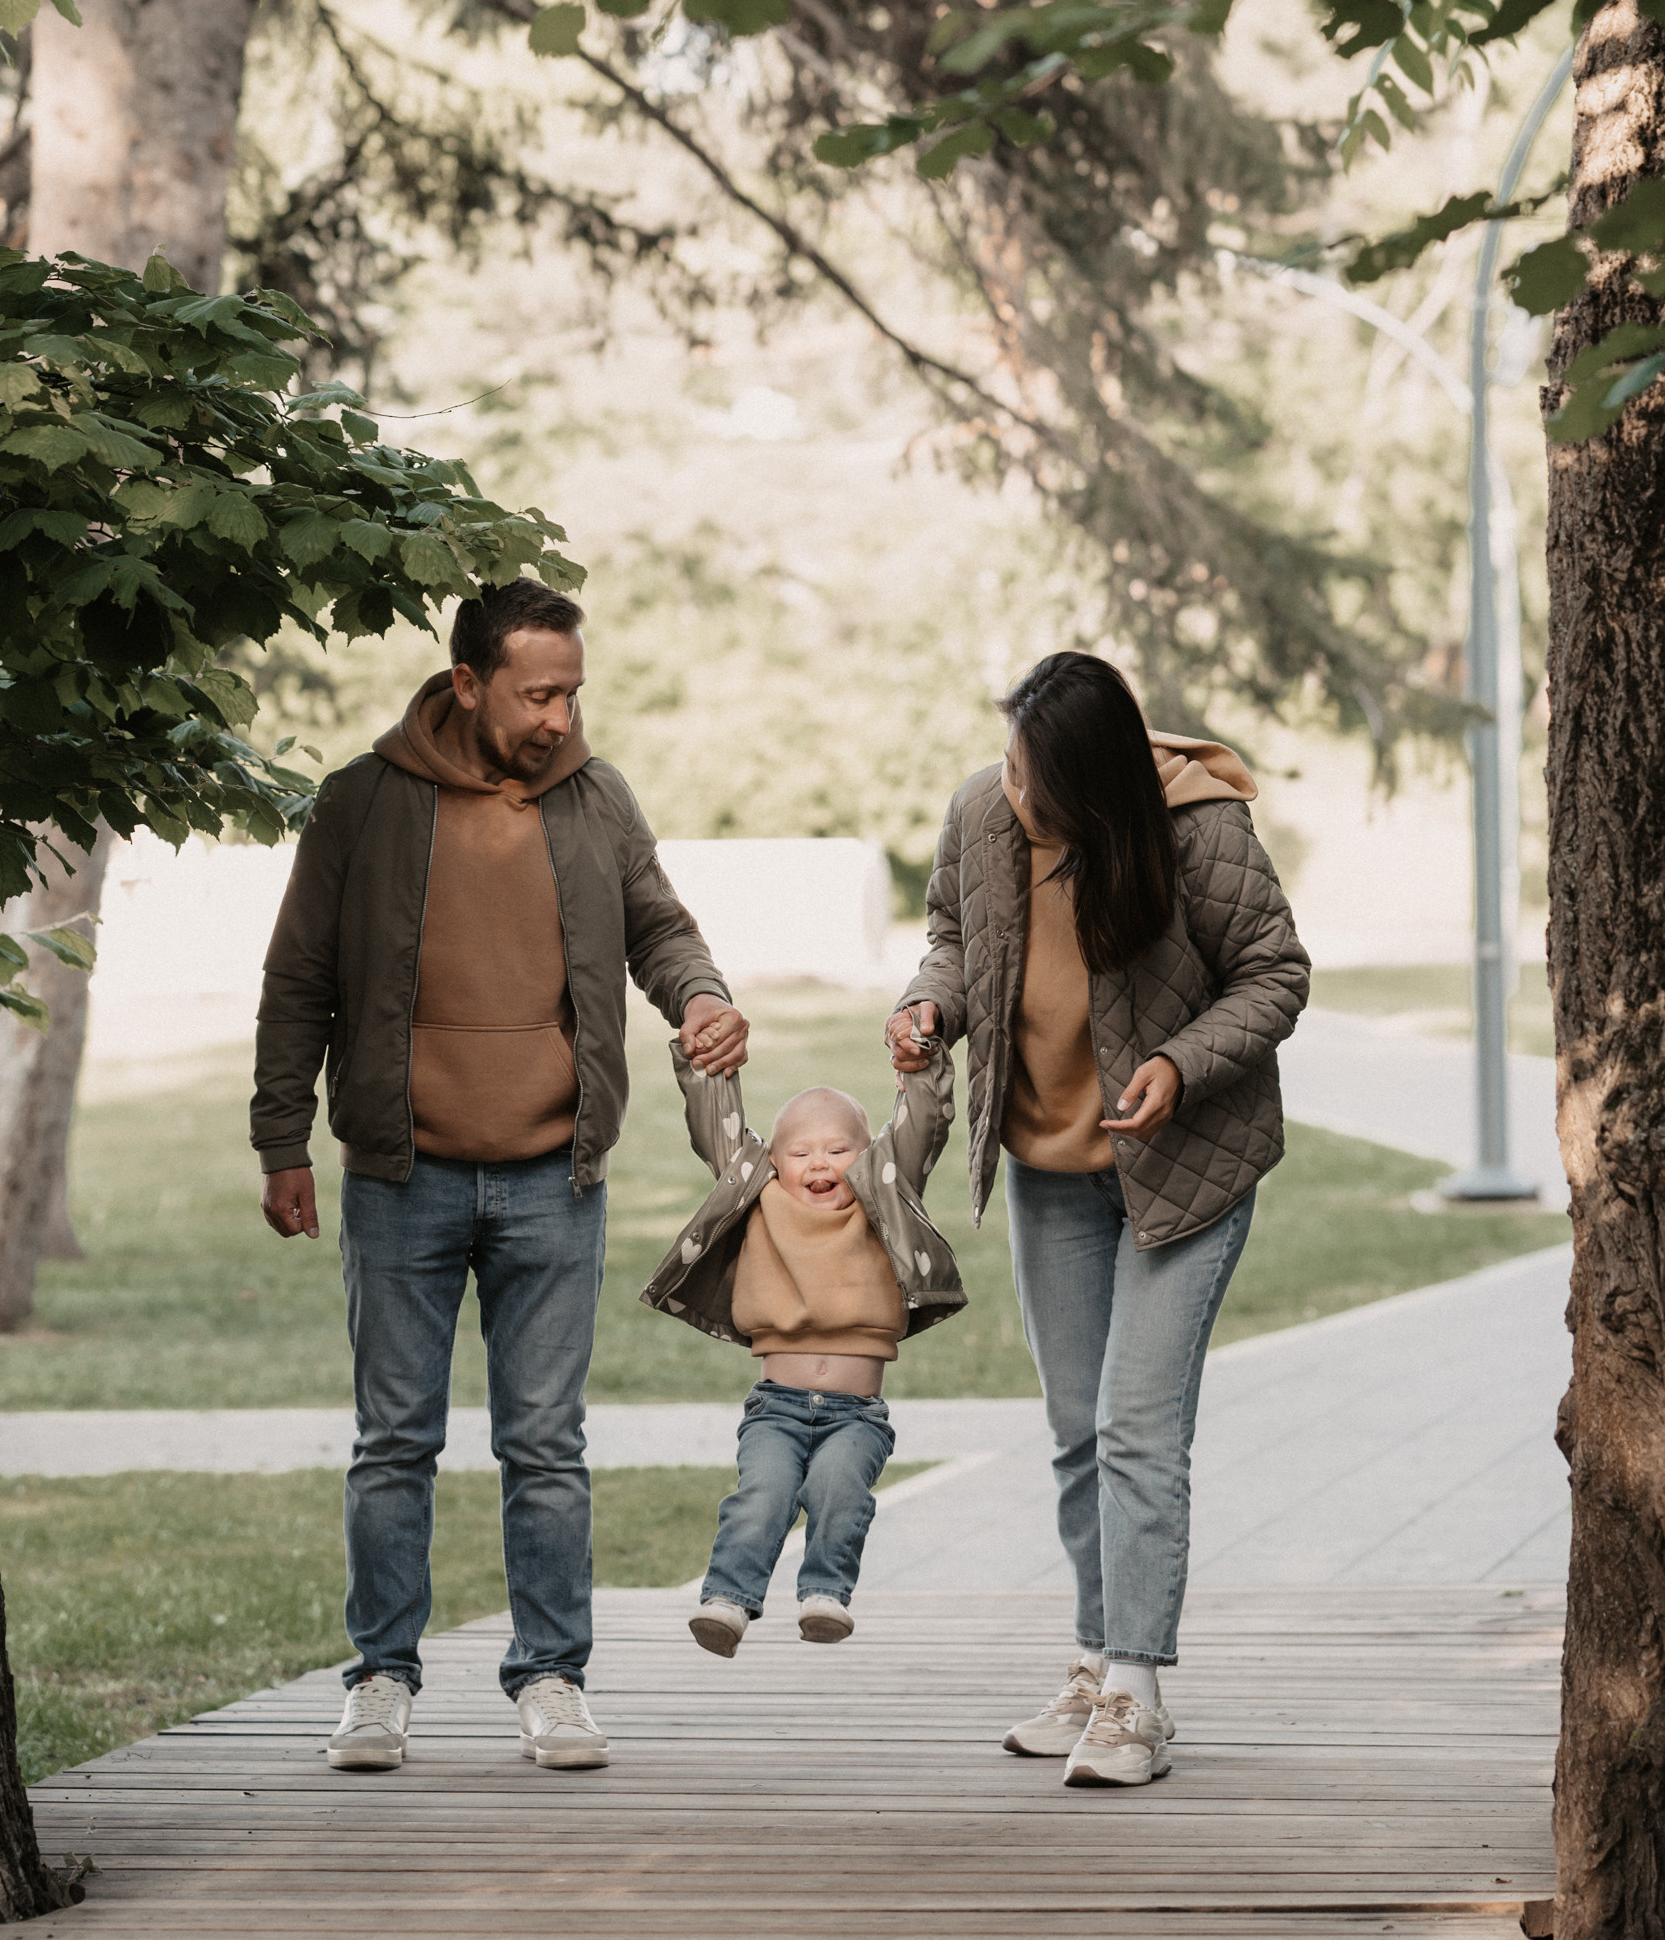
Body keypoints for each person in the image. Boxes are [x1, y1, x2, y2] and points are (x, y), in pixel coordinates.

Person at [251, 578, 747, 1776]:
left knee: (546, 1444)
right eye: (537, 693)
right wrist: (281, 1141)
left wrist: (703, 992)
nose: (560, 716)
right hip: (399, 1174)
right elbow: (299, 974)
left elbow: (659, 927)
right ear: (467, 681)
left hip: (551, 1175)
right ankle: (380, 1679)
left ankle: (553, 1677)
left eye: (572, 691)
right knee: (392, 1442)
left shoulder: (593, 797)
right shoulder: (363, 804)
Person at [888, 651, 1308, 1788]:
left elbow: (1273, 973)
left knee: (1133, 1425)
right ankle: (1091, 1662)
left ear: (1095, 781)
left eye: (1035, 777)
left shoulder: (1198, 829)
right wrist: (930, 1003)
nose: (1012, 789)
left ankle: (1137, 1692)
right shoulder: (981, 810)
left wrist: (1179, 1060)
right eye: (1012, 766)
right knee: (1077, 1430)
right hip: (1051, 1167)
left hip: (1184, 1168)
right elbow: (951, 935)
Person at [642, 1053, 962, 1650]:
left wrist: (921, 1066)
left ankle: (824, 1594)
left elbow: (920, 1129)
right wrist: (706, 1058)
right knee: (760, 1496)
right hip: (776, 1408)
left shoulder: (882, 1199)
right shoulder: (759, 1199)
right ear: (774, 1164)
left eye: (839, 1150)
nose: (820, 1163)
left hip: (855, 1415)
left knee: (839, 1490)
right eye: (801, 1153)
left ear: (868, 1158)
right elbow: (719, 1127)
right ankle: (728, 1601)